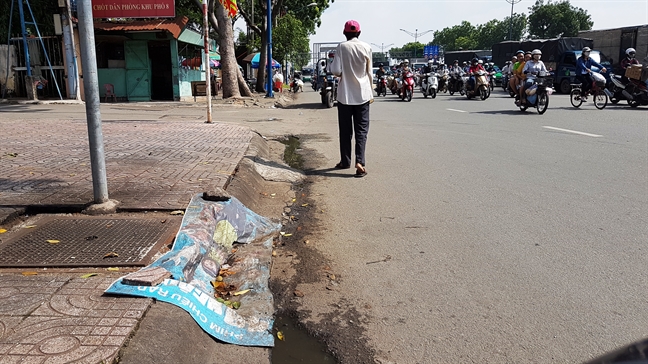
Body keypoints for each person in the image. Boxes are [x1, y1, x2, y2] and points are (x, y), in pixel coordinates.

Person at [329, 20, 373, 178]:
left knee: (345, 131)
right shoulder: (367, 47)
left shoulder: (341, 47)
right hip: (363, 96)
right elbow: (369, 73)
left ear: (344, 33)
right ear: (359, 33)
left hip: (345, 96)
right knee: (361, 131)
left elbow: (335, 70)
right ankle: (360, 162)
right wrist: (371, 92)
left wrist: (343, 74)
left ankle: (345, 161)